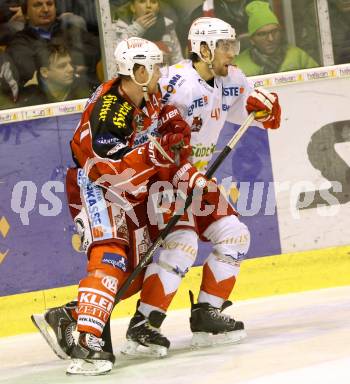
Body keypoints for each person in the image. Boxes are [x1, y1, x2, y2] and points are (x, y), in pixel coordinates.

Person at [31, 17, 281, 365]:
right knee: (147, 252)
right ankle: (126, 325)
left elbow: (175, 133)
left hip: (176, 176)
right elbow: (110, 161)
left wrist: (265, 109)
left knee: (233, 234)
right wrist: (161, 158)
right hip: (128, 187)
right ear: (204, 48)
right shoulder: (160, 91)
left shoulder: (160, 95)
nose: (160, 76)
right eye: (224, 44)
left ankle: (205, 315)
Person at [31, 36, 196, 375]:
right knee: (111, 255)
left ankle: (71, 315)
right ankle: (86, 341)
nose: (159, 74)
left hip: (128, 191)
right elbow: (108, 168)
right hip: (96, 188)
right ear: (136, 71)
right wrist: (154, 152)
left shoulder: (143, 95)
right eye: (153, 68)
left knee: (135, 271)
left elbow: (163, 122)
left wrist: (175, 134)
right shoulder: (109, 111)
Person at [5, 0, 100, 90]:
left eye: (49, 4)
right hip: (45, 100)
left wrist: (59, 63)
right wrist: (76, 62)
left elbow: (99, 49)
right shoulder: (19, 41)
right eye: (37, 5)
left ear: (55, 9)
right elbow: (30, 70)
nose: (46, 9)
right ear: (26, 14)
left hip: (85, 91)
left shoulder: (70, 29)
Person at [233, 0, 319, 76]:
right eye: (262, 34)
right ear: (252, 40)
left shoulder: (298, 56)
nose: (271, 39)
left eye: (274, 31)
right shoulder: (237, 67)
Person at [16, 43, 90, 106]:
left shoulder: (86, 87)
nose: (71, 69)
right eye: (62, 66)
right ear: (44, 72)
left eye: (70, 63)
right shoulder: (30, 99)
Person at [114, 0, 183, 65]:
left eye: (153, 2)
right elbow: (115, 56)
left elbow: (177, 59)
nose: (148, 5)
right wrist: (137, 28)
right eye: (142, 1)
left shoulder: (168, 26)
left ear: (158, 7)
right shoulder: (121, 27)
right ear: (133, 7)